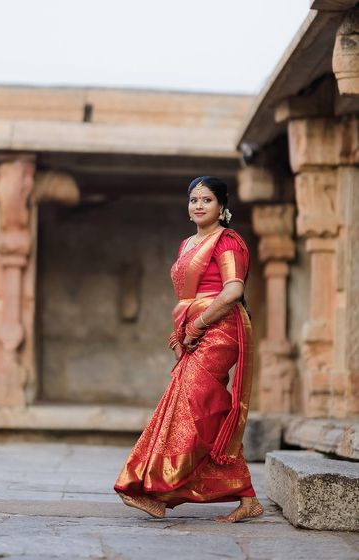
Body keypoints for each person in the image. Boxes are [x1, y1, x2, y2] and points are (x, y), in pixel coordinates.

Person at [113, 176, 264, 523]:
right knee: (198, 407)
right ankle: (245, 494)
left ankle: (159, 492)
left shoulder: (228, 243)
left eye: (207, 200)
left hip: (222, 330)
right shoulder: (186, 245)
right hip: (193, 331)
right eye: (193, 199)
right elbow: (186, 297)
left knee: (193, 408)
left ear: (222, 207)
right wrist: (183, 329)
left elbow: (232, 292)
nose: (198, 205)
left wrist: (196, 325)